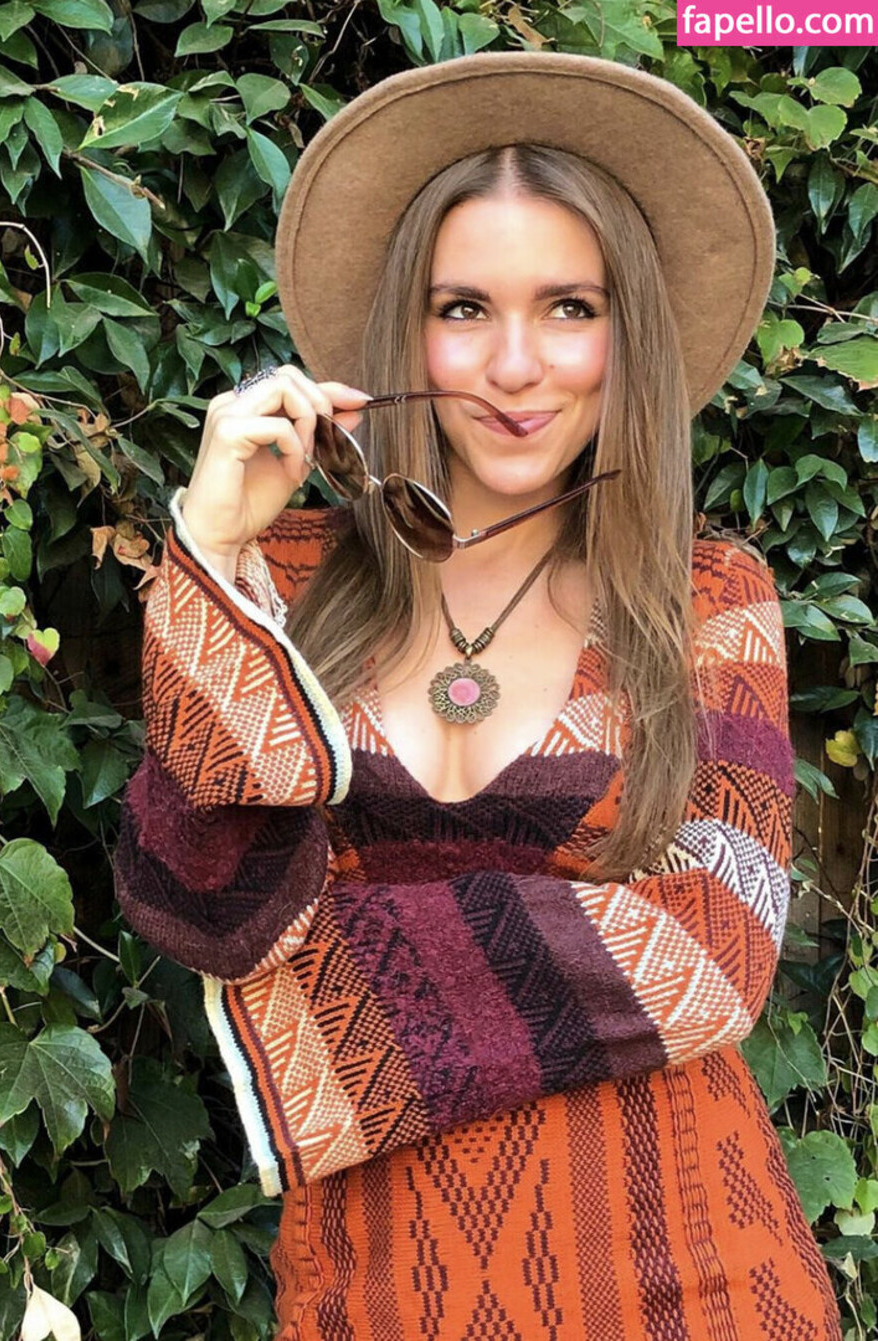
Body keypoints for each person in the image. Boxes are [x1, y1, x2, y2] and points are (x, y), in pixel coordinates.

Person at [115, 52, 840, 1339]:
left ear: (629, 331)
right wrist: (212, 551)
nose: (514, 365)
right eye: (464, 309)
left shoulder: (707, 598)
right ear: (408, 330)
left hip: (693, 1281)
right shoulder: (278, 581)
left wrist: (313, 1001)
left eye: (569, 306)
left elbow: (718, 945)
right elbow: (201, 898)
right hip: (369, 1290)